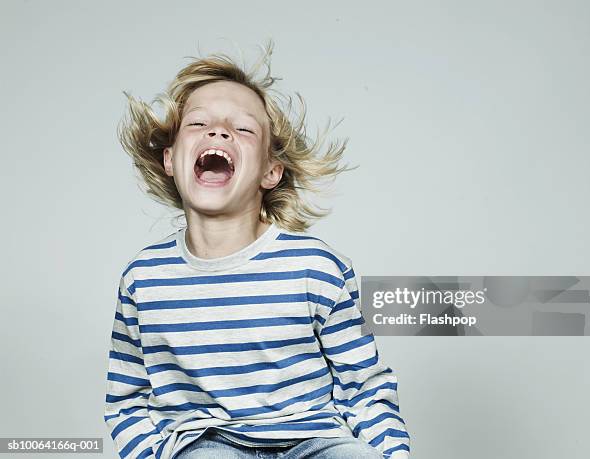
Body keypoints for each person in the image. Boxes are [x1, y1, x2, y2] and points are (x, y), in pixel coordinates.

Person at [103, 40, 411, 459]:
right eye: (198, 124)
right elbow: (126, 400)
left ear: (270, 170)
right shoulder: (144, 278)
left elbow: (364, 388)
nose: (218, 131)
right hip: (206, 442)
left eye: (243, 128)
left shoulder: (316, 267)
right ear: (170, 160)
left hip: (315, 441)